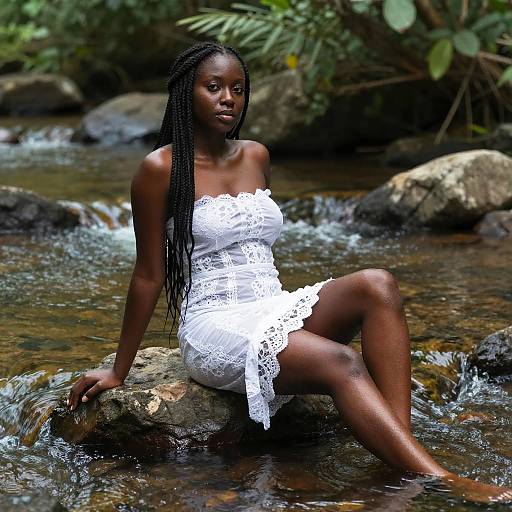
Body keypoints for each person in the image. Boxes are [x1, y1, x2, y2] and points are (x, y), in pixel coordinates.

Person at [67, 41, 512, 503]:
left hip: (274, 304)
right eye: (213, 87)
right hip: (216, 324)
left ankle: (398, 453)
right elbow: (147, 275)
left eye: (237, 89)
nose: (228, 99)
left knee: (378, 284)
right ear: (186, 94)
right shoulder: (159, 168)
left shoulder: (256, 155)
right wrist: (119, 369)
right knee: (342, 362)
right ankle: (440, 479)